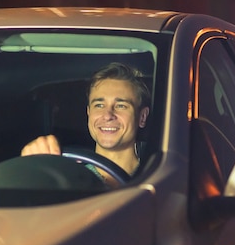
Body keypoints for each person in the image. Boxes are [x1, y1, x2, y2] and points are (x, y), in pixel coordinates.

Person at [21, 62, 151, 186]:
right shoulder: (66, 178)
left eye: (121, 106)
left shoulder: (158, 178)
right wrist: (32, 169)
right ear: (88, 112)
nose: (107, 115)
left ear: (142, 117)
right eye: (99, 105)